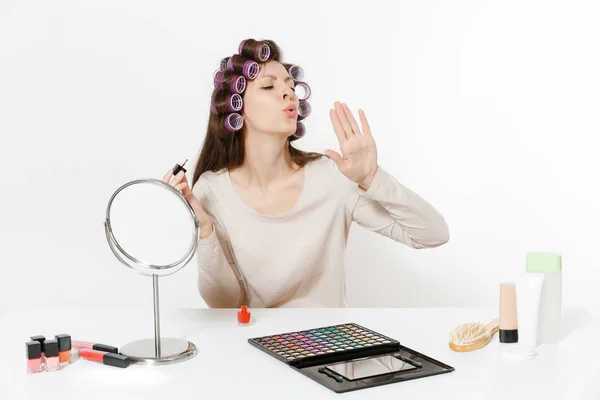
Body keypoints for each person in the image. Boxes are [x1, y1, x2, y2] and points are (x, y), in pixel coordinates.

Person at [163, 39, 449, 308]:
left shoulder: (331, 178)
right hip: (255, 351)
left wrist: (372, 178)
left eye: (290, 85)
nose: (288, 93)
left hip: (328, 350)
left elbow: (433, 235)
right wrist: (205, 228)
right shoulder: (212, 191)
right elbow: (224, 303)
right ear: (236, 109)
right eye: (268, 87)